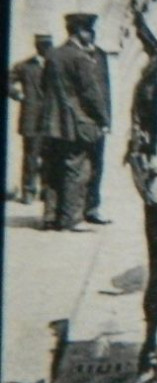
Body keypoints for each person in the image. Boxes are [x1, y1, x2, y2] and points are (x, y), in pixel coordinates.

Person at [40, 13, 111, 231]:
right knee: (76, 168)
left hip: (52, 122)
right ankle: (71, 219)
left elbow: (44, 85)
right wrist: (103, 118)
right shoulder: (80, 58)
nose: (91, 36)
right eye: (89, 31)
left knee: (53, 168)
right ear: (80, 32)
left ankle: (51, 216)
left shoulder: (52, 54)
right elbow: (91, 93)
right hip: (76, 122)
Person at [9, 33, 53, 204]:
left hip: (50, 118)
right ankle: (28, 190)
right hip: (31, 118)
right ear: (37, 46)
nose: (45, 49)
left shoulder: (54, 65)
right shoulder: (25, 66)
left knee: (50, 155)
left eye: (48, 45)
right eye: (43, 45)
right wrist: (17, 94)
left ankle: (46, 190)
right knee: (31, 156)